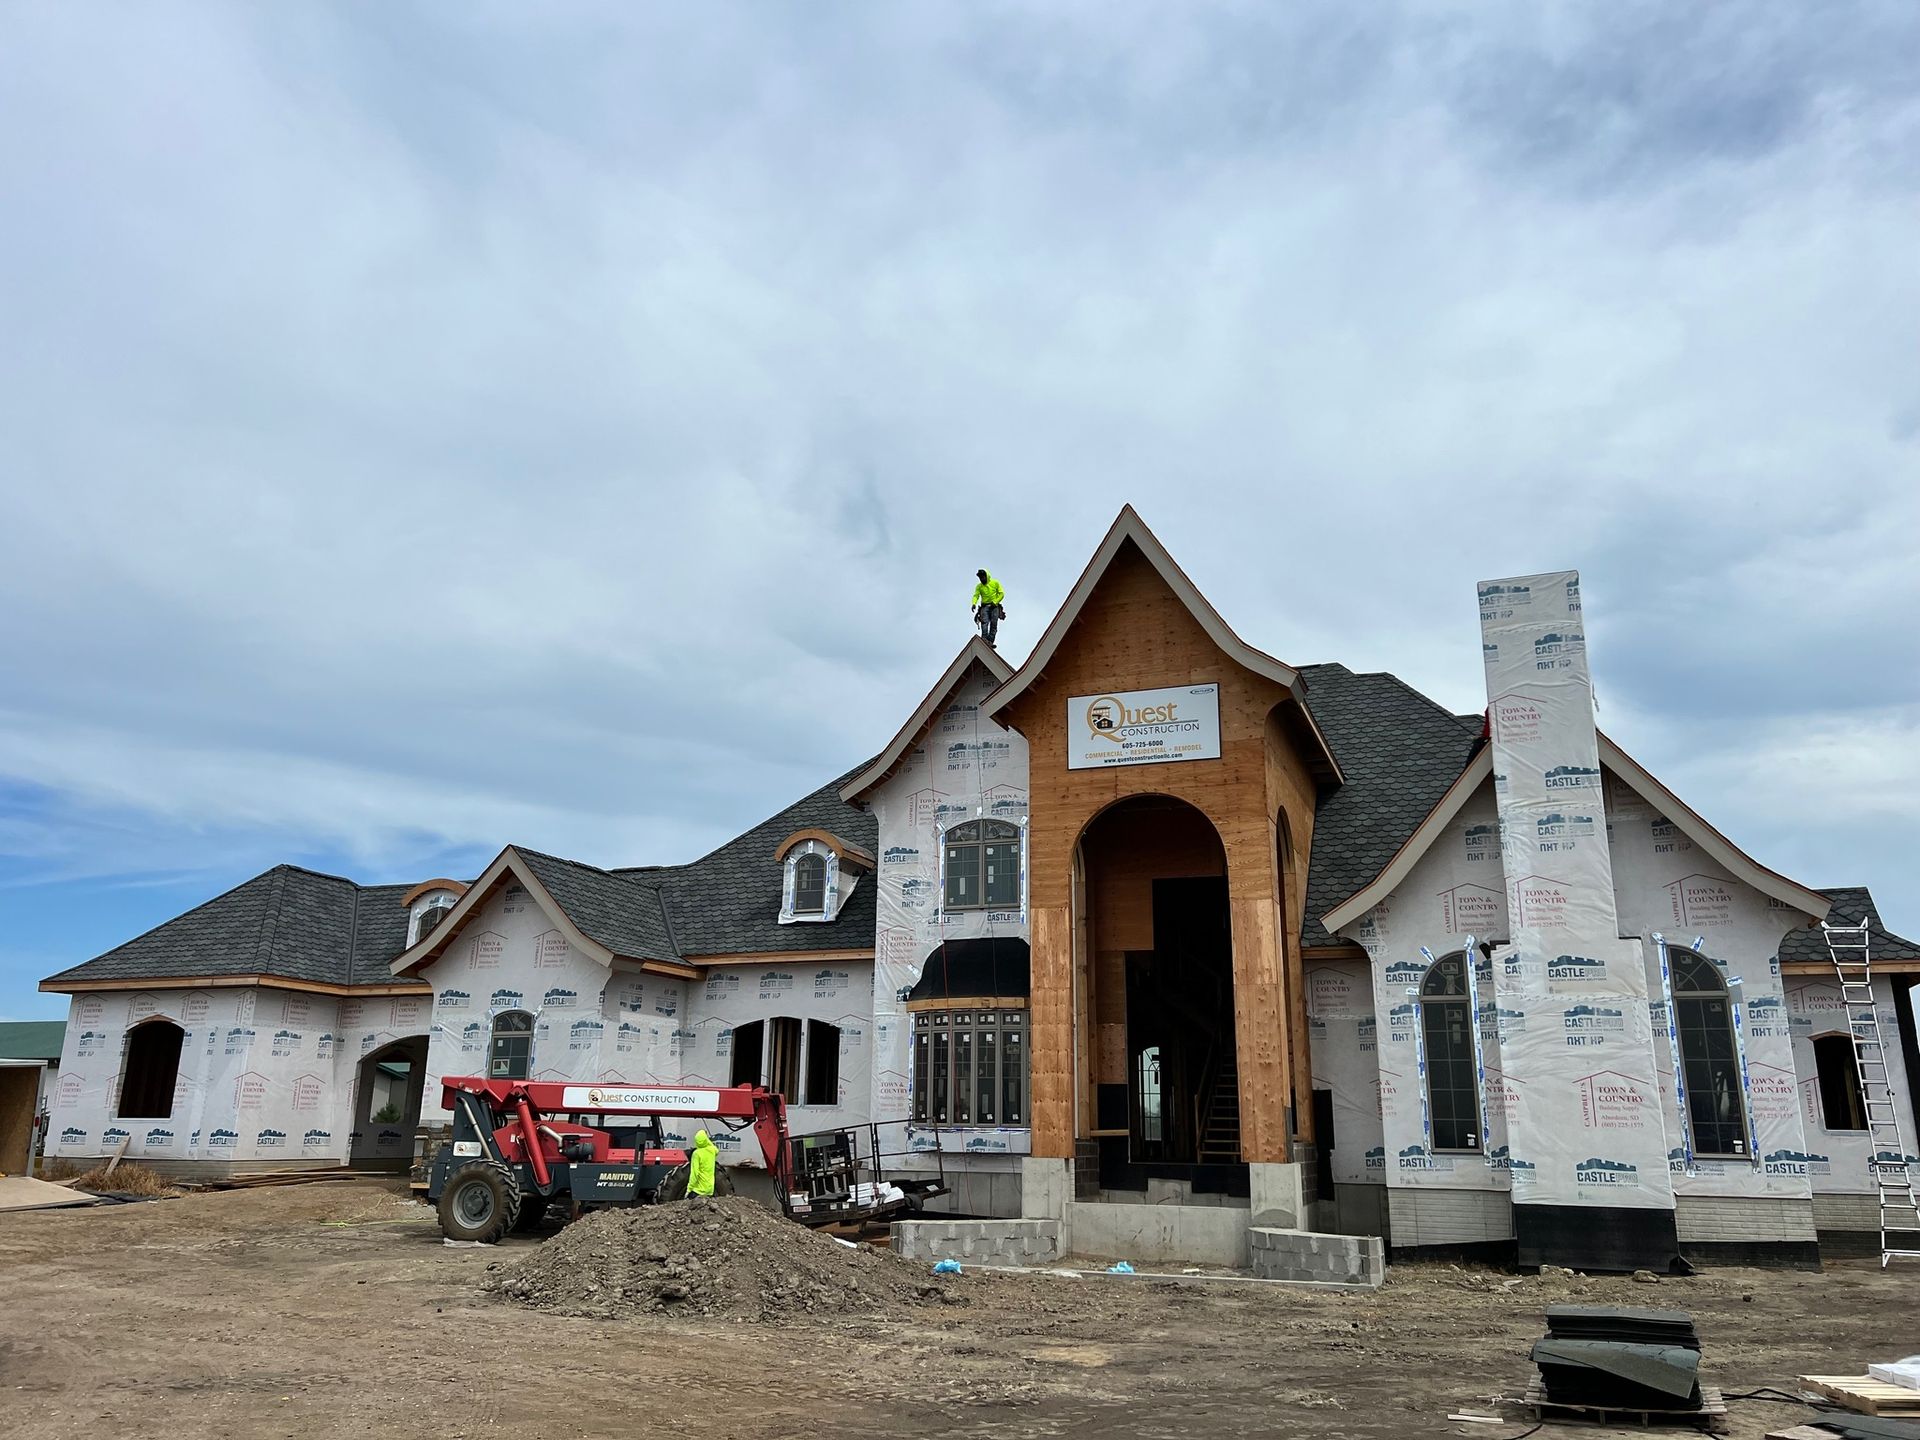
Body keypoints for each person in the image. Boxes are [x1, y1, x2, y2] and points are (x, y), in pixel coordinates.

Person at [970, 568, 1006, 645]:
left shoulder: (995, 583)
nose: (981, 579)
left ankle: (990, 641)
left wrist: (995, 602)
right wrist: (974, 603)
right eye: (980, 577)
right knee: (984, 622)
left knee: (994, 623)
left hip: (994, 606)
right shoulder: (979, 587)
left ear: (986, 576)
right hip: (984, 607)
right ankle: (984, 640)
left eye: (983, 577)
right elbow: (976, 595)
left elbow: (1001, 593)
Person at [687, 1128, 717, 1198]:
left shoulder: (696, 1154)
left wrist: (689, 1189)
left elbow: (695, 1174)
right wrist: (707, 1140)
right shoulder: (712, 1151)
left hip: (698, 1191)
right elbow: (715, 1149)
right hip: (709, 1190)